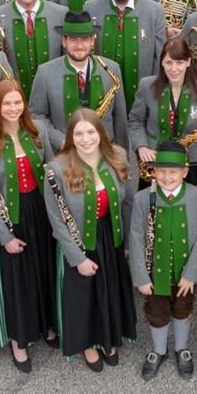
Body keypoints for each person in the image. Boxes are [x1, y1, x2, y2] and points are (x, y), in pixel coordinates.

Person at [0, 79, 64, 371]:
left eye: (17, 102)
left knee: (43, 270)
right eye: (6, 103)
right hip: (10, 216)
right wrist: (4, 235)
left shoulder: (36, 132)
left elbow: (53, 174)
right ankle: (19, 339)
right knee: (17, 279)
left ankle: (47, 324)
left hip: (39, 210)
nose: (12, 108)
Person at [44, 109, 138, 371]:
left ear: (101, 133)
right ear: (70, 137)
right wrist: (77, 258)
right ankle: (88, 344)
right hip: (79, 241)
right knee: (84, 296)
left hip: (110, 234)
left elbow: (128, 203)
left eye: (91, 132)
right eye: (79, 133)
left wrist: (127, 244)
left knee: (108, 289)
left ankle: (107, 338)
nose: (86, 139)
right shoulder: (57, 168)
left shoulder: (117, 157)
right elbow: (57, 221)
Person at [126, 141, 197, 380]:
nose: (166, 177)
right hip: (155, 272)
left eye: (173, 172)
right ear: (153, 171)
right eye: (161, 171)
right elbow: (135, 237)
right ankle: (159, 350)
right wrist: (141, 276)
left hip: (185, 272)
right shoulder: (144, 198)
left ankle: (181, 348)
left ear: (185, 172)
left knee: (183, 308)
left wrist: (191, 274)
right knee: (157, 310)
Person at [28, 10, 129, 148]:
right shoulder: (45, 72)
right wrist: (62, 141)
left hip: (104, 152)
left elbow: (120, 120)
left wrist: (123, 158)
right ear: (64, 41)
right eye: (73, 39)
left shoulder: (111, 69)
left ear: (92, 40)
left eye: (85, 39)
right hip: (66, 155)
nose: (79, 46)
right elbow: (37, 116)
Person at [128, 39, 197, 188]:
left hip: (190, 165)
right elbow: (136, 120)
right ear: (162, 62)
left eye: (179, 62)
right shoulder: (146, 86)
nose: (174, 68)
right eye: (168, 62)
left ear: (188, 62)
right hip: (153, 164)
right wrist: (142, 146)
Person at [84, 0, 167, 109]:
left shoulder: (154, 11)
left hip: (142, 96)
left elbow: (161, 58)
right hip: (102, 95)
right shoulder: (91, 8)